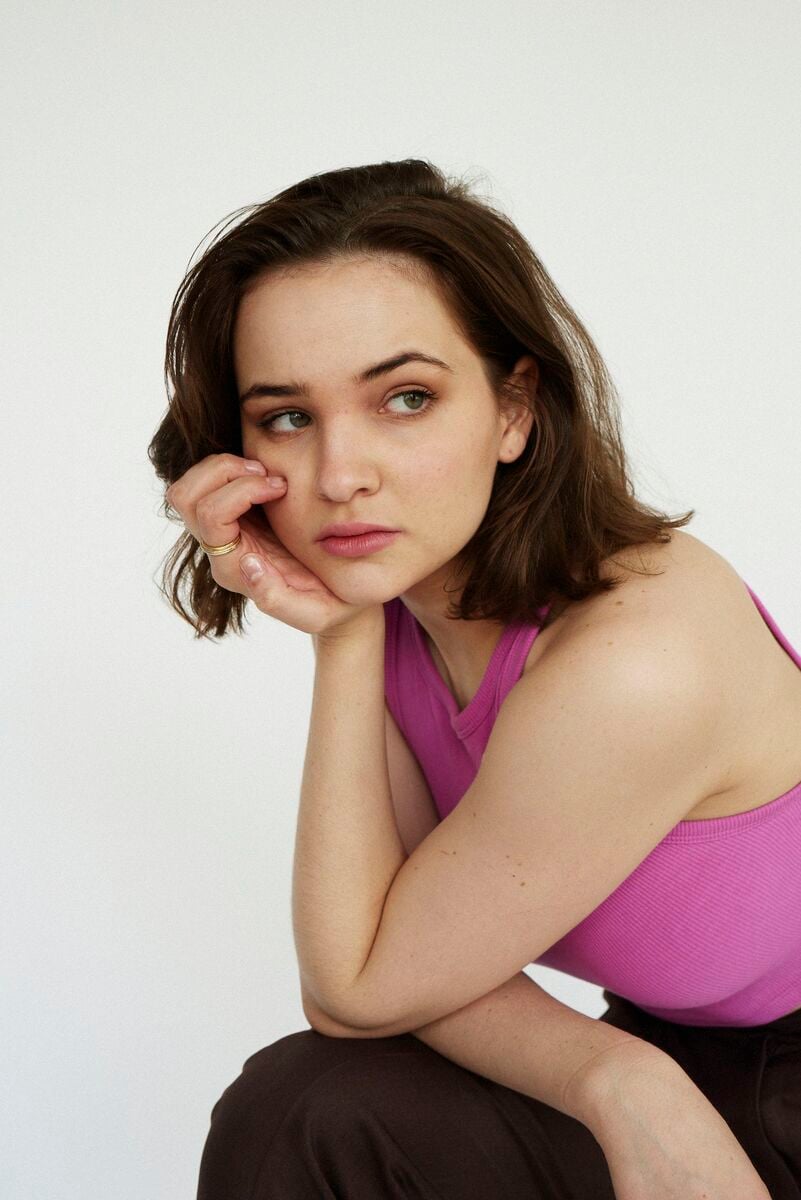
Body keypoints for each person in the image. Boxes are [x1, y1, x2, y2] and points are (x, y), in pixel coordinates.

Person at [148, 159, 801, 1199]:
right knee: (307, 1107)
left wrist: (626, 1082)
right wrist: (620, 1079)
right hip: (681, 1066)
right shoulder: (400, 610)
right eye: (286, 417)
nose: (340, 474)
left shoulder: (636, 655)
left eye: (404, 399)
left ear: (513, 410)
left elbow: (359, 985)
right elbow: (373, 963)